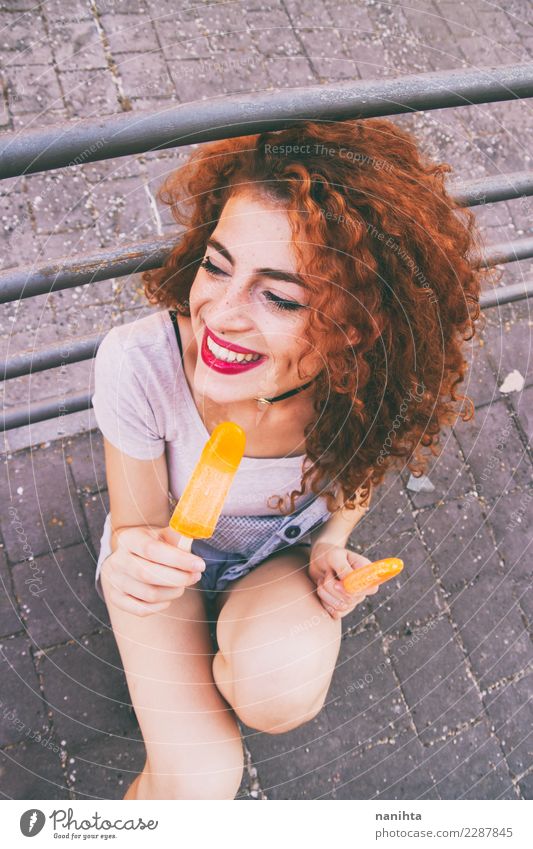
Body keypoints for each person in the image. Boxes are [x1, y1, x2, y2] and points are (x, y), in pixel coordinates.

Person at [91, 118, 490, 800]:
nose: (219, 313)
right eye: (217, 265)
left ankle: (230, 650)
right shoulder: (142, 363)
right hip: (167, 561)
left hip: (272, 563)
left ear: (355, 325)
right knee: (198, 784)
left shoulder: (362, 390)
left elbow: (360, 472)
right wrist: (132, 556)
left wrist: (332, 541)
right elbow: (135, 525)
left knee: (278, 695)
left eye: (276, 295)